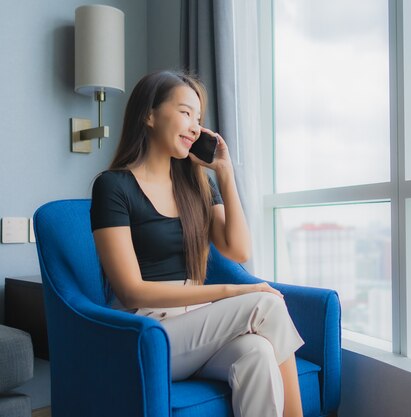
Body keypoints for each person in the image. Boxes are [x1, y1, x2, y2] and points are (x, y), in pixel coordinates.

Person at [90, 70, 304, 417]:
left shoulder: (198, 186)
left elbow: (238, 250)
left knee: (258, 354)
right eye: (185, 112)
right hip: (146, 333)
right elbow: (131, 292)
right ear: (149, 115)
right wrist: (231, 292)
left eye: (199, 118)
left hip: (198, 329)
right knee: (267, 305)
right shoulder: (113, 187)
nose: (194, 127)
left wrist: (225, 172)